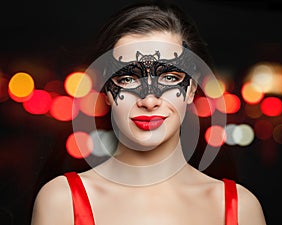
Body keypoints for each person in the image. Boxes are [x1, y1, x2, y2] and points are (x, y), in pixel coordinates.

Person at [31, 1, 267, 225]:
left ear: (191, 89)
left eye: (170, 77)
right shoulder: (61, 202)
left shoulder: (240, 207)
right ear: (106, 92)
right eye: (128, 78)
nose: (149, 100)